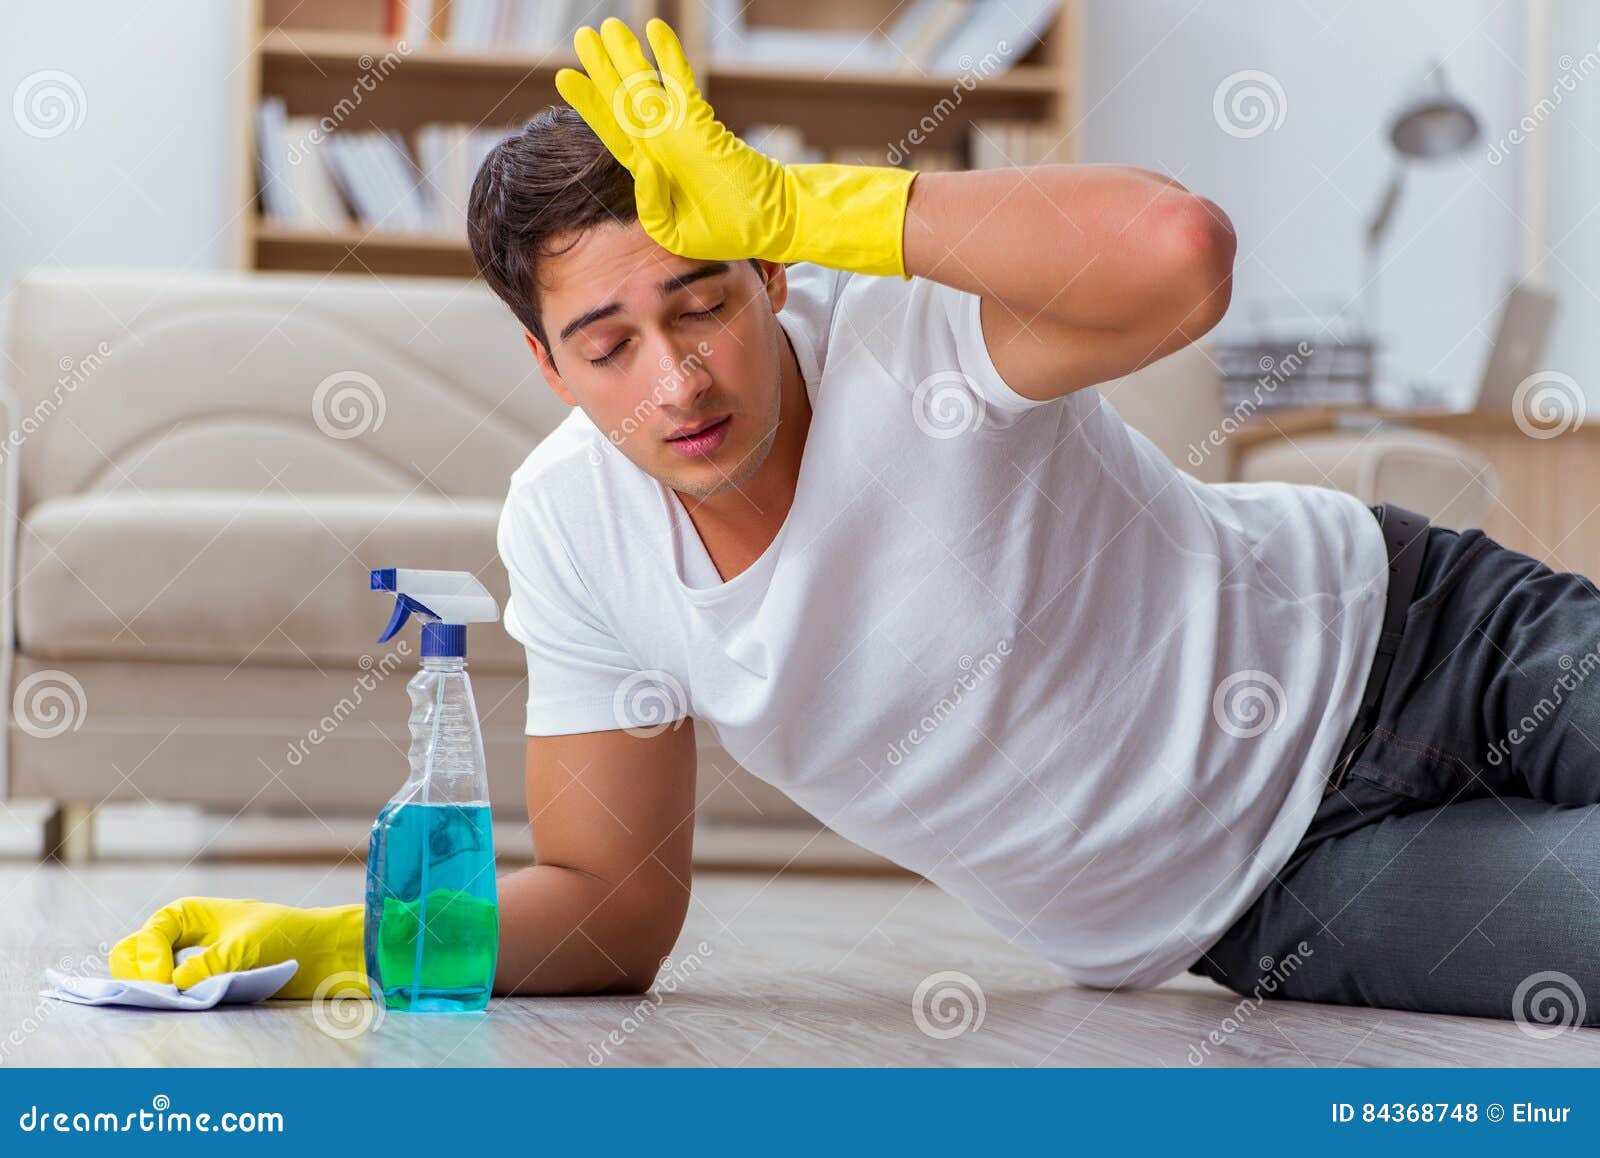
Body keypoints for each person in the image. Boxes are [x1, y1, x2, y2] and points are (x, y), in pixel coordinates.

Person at [110, 18, 1600, 1030]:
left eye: (704, 300)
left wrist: (800, 204)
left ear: (769, 276)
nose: (680, 375)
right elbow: (614, 909)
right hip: (1273, 890)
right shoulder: (572, 533)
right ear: (548, 367)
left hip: (1425, 631)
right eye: (611, 341)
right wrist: (337, 947)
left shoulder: (901, 328)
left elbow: (1180, 254)